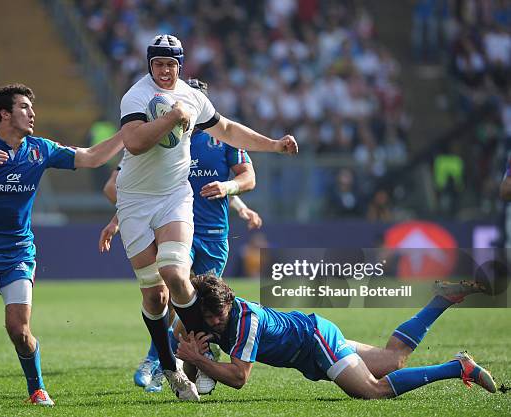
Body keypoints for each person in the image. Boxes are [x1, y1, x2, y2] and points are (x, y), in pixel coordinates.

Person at [114, 34, 297, 401]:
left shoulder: (193, 98)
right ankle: (168, 366)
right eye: (159, 64)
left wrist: (273, 145)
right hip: (135, 201)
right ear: (150, 65)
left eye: (171, 65)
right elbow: (133, 143)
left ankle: (199, 353)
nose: (165, 71)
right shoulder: (135, 97)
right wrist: (172, 119)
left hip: (174, 199)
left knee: (176, 275)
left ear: (180, 66)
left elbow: (229, 129)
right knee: (154, 297)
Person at [0, 83, 124, 406]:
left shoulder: (40, 148)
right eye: (24, 107)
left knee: (19, 330)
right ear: (4, 114)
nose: (32, 113)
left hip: (18, 252)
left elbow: (91, 158)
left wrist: (128, 133)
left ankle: (36, 389)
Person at [100, 78, 262, 394]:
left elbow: (246, 178)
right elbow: (144, 190)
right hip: (177, 229)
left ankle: (199, 364)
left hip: (215, 235)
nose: (185, 108)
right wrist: (119, 219)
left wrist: (232, 194)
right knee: (174, 286)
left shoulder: (223, 140)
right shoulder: (164, 139)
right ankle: (159, 363)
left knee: (201, 306)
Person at [177, 274, 496, 399]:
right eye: (211, 317)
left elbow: (238, 378)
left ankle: (458, 367)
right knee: (393, 359)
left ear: (230, 302)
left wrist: (193, 359)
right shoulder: (206, 316)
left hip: (316, 342)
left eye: (221, 314)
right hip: (313, 336)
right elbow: (187, 345)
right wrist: (191, 361)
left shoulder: (245, 322)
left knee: (373, 391)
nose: (218, 322)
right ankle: (440, 300)